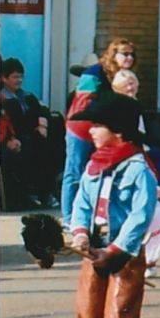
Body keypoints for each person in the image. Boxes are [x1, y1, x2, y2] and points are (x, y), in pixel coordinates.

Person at [67, 91, 158, 318]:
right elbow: (81, 204)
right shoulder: (94, 166)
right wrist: (79, 233)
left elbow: (140, 215)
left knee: (120, 313)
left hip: (124, 254)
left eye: (97, 126)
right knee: (87, 308)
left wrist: (117, 251)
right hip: (94, 249)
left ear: (118, 131)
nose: (90, 131)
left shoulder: (138, 169)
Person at [63, 38, 137, 225]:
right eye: (124, 53)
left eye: (132, 54)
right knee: (75, 172)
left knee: (95, 175)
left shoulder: (123, 75)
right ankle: (69, 218)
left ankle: (90, 218)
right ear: (114, 54)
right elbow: (83, 103)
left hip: (104, 131)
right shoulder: (94, 72)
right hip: (81, 129)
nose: (129, 57)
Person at [0, 57, 61, 209]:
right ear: (4, 78)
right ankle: (31, 193)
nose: (19, 80)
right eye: (15, 77)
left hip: (33, 136)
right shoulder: (2, 98)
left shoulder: (26, 96)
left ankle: (46, 193)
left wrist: (42, 121)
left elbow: (42, 110)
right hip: (15, 139)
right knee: (29, 153)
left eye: (21, 76)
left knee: (53, 150)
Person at [111, 70, 160, 194]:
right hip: (125, 146)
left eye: (132, 83)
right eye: (125, 85)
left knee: (158, 154)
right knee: (155, 156)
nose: (130, 88)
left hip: (140, 144)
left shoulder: (135, 103)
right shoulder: (117, 105)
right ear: (117, 88)